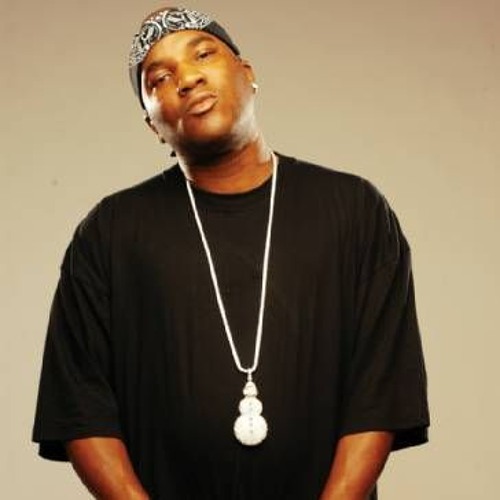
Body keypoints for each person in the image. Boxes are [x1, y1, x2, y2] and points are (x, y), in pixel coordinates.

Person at [33, 7, 429, 500]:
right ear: (151, 124)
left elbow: (380, 388)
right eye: (159, 78)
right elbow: (80, 406)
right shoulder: (109, 232)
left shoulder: (355, 209)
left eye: (203, 54)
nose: (187, 79)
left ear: (247, 73)